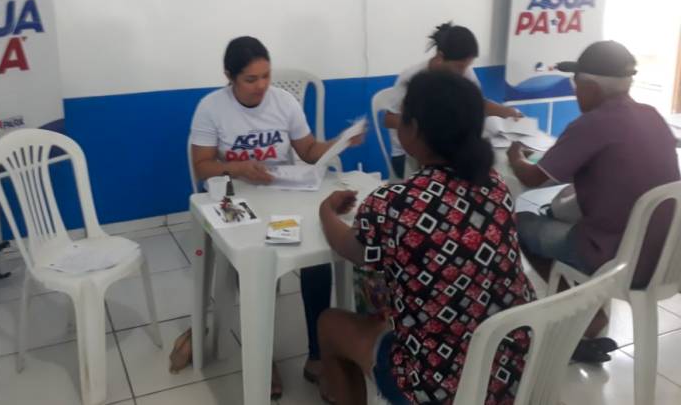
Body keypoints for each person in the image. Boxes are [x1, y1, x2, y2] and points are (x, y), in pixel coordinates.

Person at [317, 70, 535, 405]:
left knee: (329, 324)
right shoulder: (495, 185)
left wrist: (326, 212)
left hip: (439, 385)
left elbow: (349, 248)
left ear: (415, 129)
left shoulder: (395, 203)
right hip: (513, 368)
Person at [189, 35, 362, 398]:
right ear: (230, 77)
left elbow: (309, 151)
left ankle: (317, 356)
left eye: (266, 75)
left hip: (283, 193)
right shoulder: (211, 107)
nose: (261, 86)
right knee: (256, 262)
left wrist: (339, 142)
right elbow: (202, 166)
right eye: (250, 79)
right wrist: (239, 168)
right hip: (236, 197)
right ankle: (261, 357)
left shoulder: (283, 101)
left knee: (317, 256)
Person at [507, 40, 680, 359]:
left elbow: (531, 178)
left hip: (619, 259)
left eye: (576, 86)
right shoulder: (652, 115)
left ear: (590, 88)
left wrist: (515, 156)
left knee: (521, 225)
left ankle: (583, 317)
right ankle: (585, 308)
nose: (575, 93)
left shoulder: (592, 124)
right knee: (559, 216)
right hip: (668, 258)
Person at [384, 22, 521, 180]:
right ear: (440, 57)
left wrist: (507, 111)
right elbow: (388, 119)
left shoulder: (464, 72)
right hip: (409, 153)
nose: (463, 72)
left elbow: (475, 102)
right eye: (459, 67)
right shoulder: (412, 78)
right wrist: (429, 126)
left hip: (443, 150)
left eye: (467, 66)